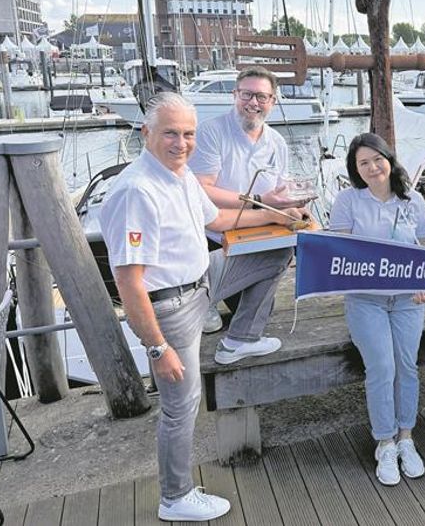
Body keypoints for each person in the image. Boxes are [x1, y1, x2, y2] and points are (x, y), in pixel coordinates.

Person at [100, 94, 305, 521]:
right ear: (146, 134)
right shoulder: (138, 190)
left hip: (204, 281)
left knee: (273, 254)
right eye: (171, 133)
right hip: (171, 305)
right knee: (181, 404)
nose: (182, 143)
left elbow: (220, 221)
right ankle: (174, 498)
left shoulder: (180, 175)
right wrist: (157, 348)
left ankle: (241, 338)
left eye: (188, 134)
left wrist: (279, 218)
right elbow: (128, 282)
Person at [329, 133, 425, 486]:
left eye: (377, 159)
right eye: (363, 163)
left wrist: (424, 283)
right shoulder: (348, 201)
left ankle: (406, 438)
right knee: (382, 367)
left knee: (407, 366)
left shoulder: (413, 200)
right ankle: (384, 442)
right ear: (355, 169)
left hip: (407, 301)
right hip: (365, 299)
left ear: (389, 159)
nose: (373, 167)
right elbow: (339, 254)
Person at [190, 67, 309, 364]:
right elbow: (202, 189)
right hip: (212, 241)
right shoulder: (212, 132)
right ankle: (205, 301)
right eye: (246, 94)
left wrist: (294, 205)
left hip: (252, 237)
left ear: (273, 100)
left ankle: (226, 313)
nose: (253, 102)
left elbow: (277, 194)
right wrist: (259, 201)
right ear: (235, 95)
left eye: (261, 96)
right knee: (274, 265)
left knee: (267, 306)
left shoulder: (276, 143)